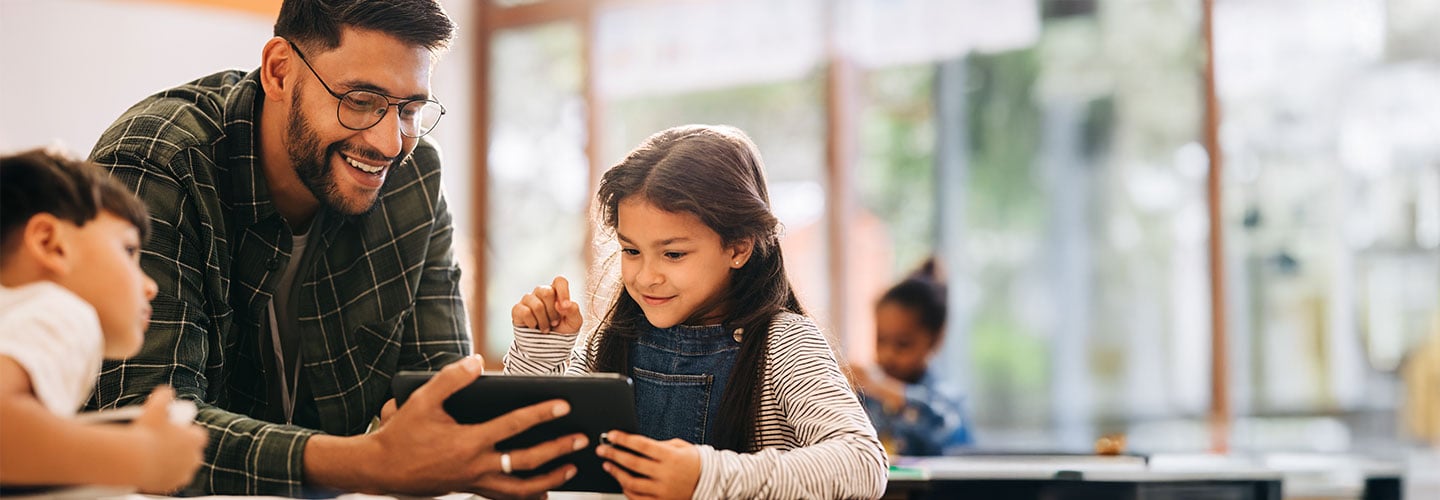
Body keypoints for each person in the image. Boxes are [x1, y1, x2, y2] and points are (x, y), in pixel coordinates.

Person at [84, 1, 583, 496]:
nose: (390, 144)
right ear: (279, 71)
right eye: (361, 100)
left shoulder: (414, 179)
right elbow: (143, 424)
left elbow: (439, 403)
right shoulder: (158, 161)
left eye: (410, 110)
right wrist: (366, 462)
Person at [506, 124, 889, 498]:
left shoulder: (784, 344)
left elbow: (863, 463)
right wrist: (541, 352)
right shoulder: (610, 342)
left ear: (738, 248)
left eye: (673, 254)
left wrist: (705, 477)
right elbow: (522, 452)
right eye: (631, 251)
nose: (646, 277)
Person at [0, 149, 207, 493]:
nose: (150, 286)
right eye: (128, 251)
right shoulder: (63, 312)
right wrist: (143, 456)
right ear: (51, 245)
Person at [851, 258, 973, 456]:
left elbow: (945, 433)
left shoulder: (946, 398)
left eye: (903, 344)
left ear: (935, 339)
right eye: (880, 340)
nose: (888, 354)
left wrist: (885, 388)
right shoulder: (867, 396)